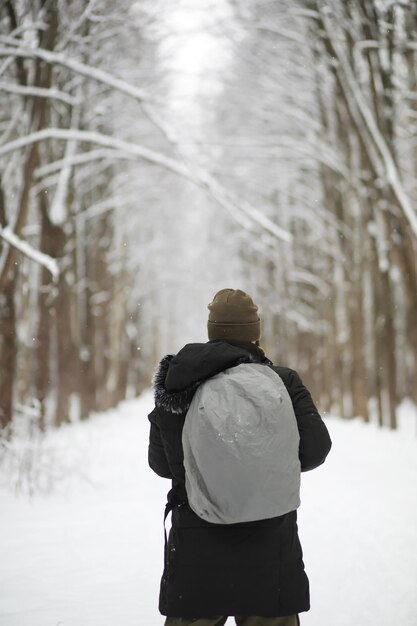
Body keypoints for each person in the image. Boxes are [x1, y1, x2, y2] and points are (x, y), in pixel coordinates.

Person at [148, 288, 332, 626]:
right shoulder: (283, 381)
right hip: (269, 546)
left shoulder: (179, 383)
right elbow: (316, 449)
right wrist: (265, 465)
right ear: (255, 332)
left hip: (196, 549)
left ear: (211, 329)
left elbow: (161, 464)